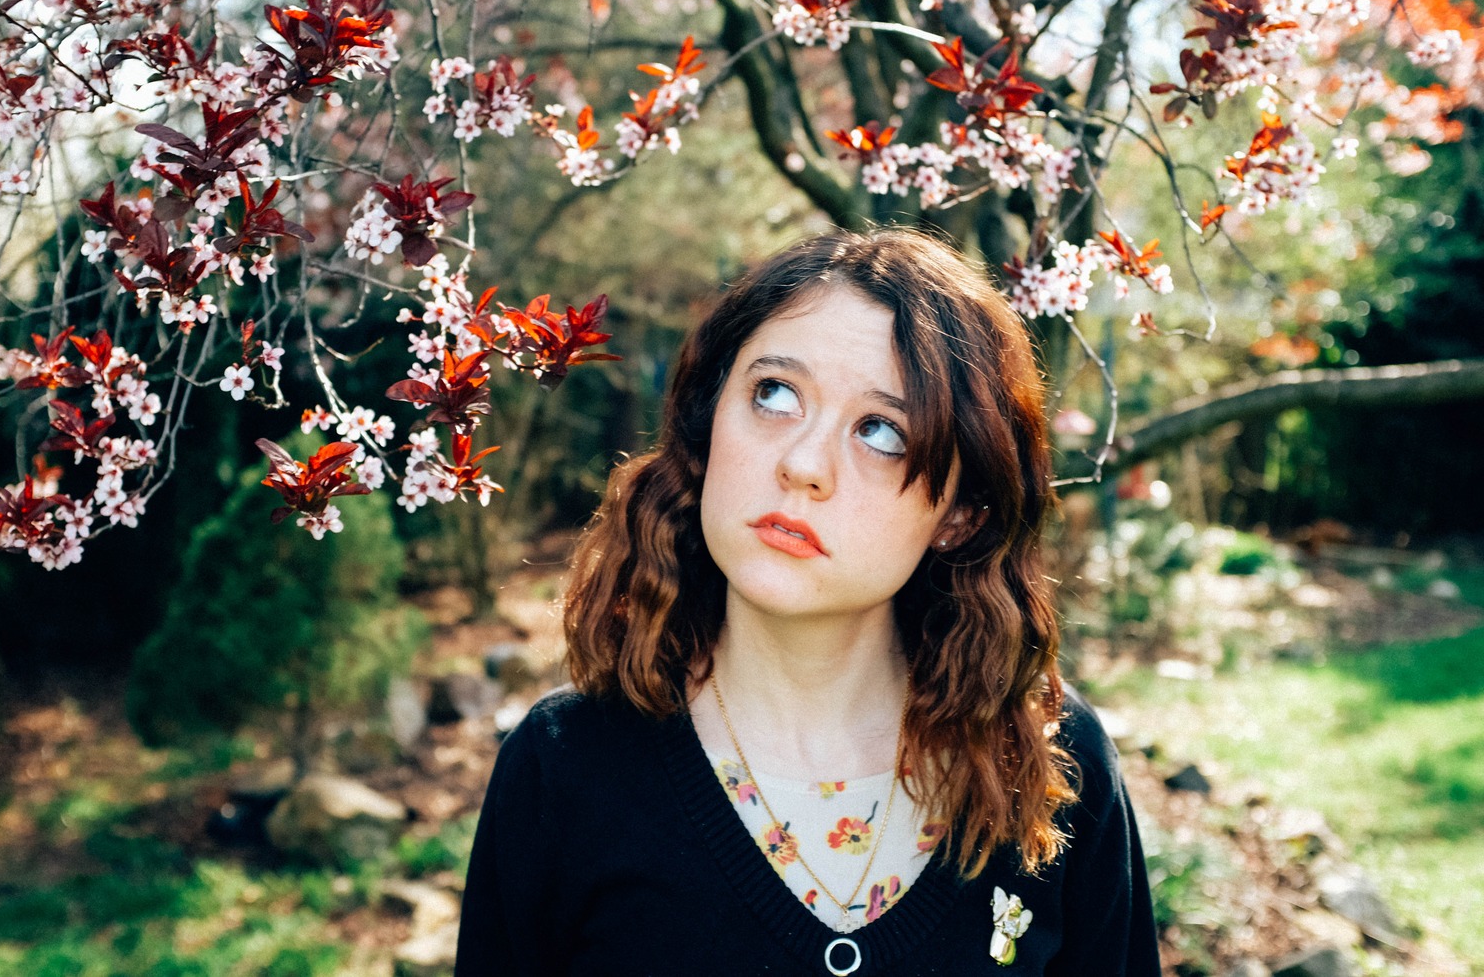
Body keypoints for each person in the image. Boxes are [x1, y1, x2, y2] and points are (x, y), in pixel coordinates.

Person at [455, 228, 1160, 976]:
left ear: (962, 512)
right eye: (775, 394)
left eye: (882, 431)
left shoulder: (1051, 762)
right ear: (708, 419)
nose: (803, 464)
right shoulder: (565, 768)